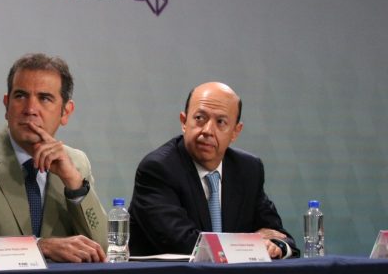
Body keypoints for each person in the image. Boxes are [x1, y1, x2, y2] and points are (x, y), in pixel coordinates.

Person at [0, 53, 107, 263]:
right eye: (20, 96)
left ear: (66, 112)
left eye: (44, 98)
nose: (30, 109)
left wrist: (74, 184)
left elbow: (101, 248)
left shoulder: (76, 162)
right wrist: (39, 246)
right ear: (6, 105)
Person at [128, 81, 299, 258]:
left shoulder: (248, 170)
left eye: (221, 122)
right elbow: (185, 244)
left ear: (235, 131)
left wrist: (277, 246)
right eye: (199, 118)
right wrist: (252, 241)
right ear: (184, 121)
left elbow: (279, 235)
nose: (208, 130)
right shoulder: (158, 169)